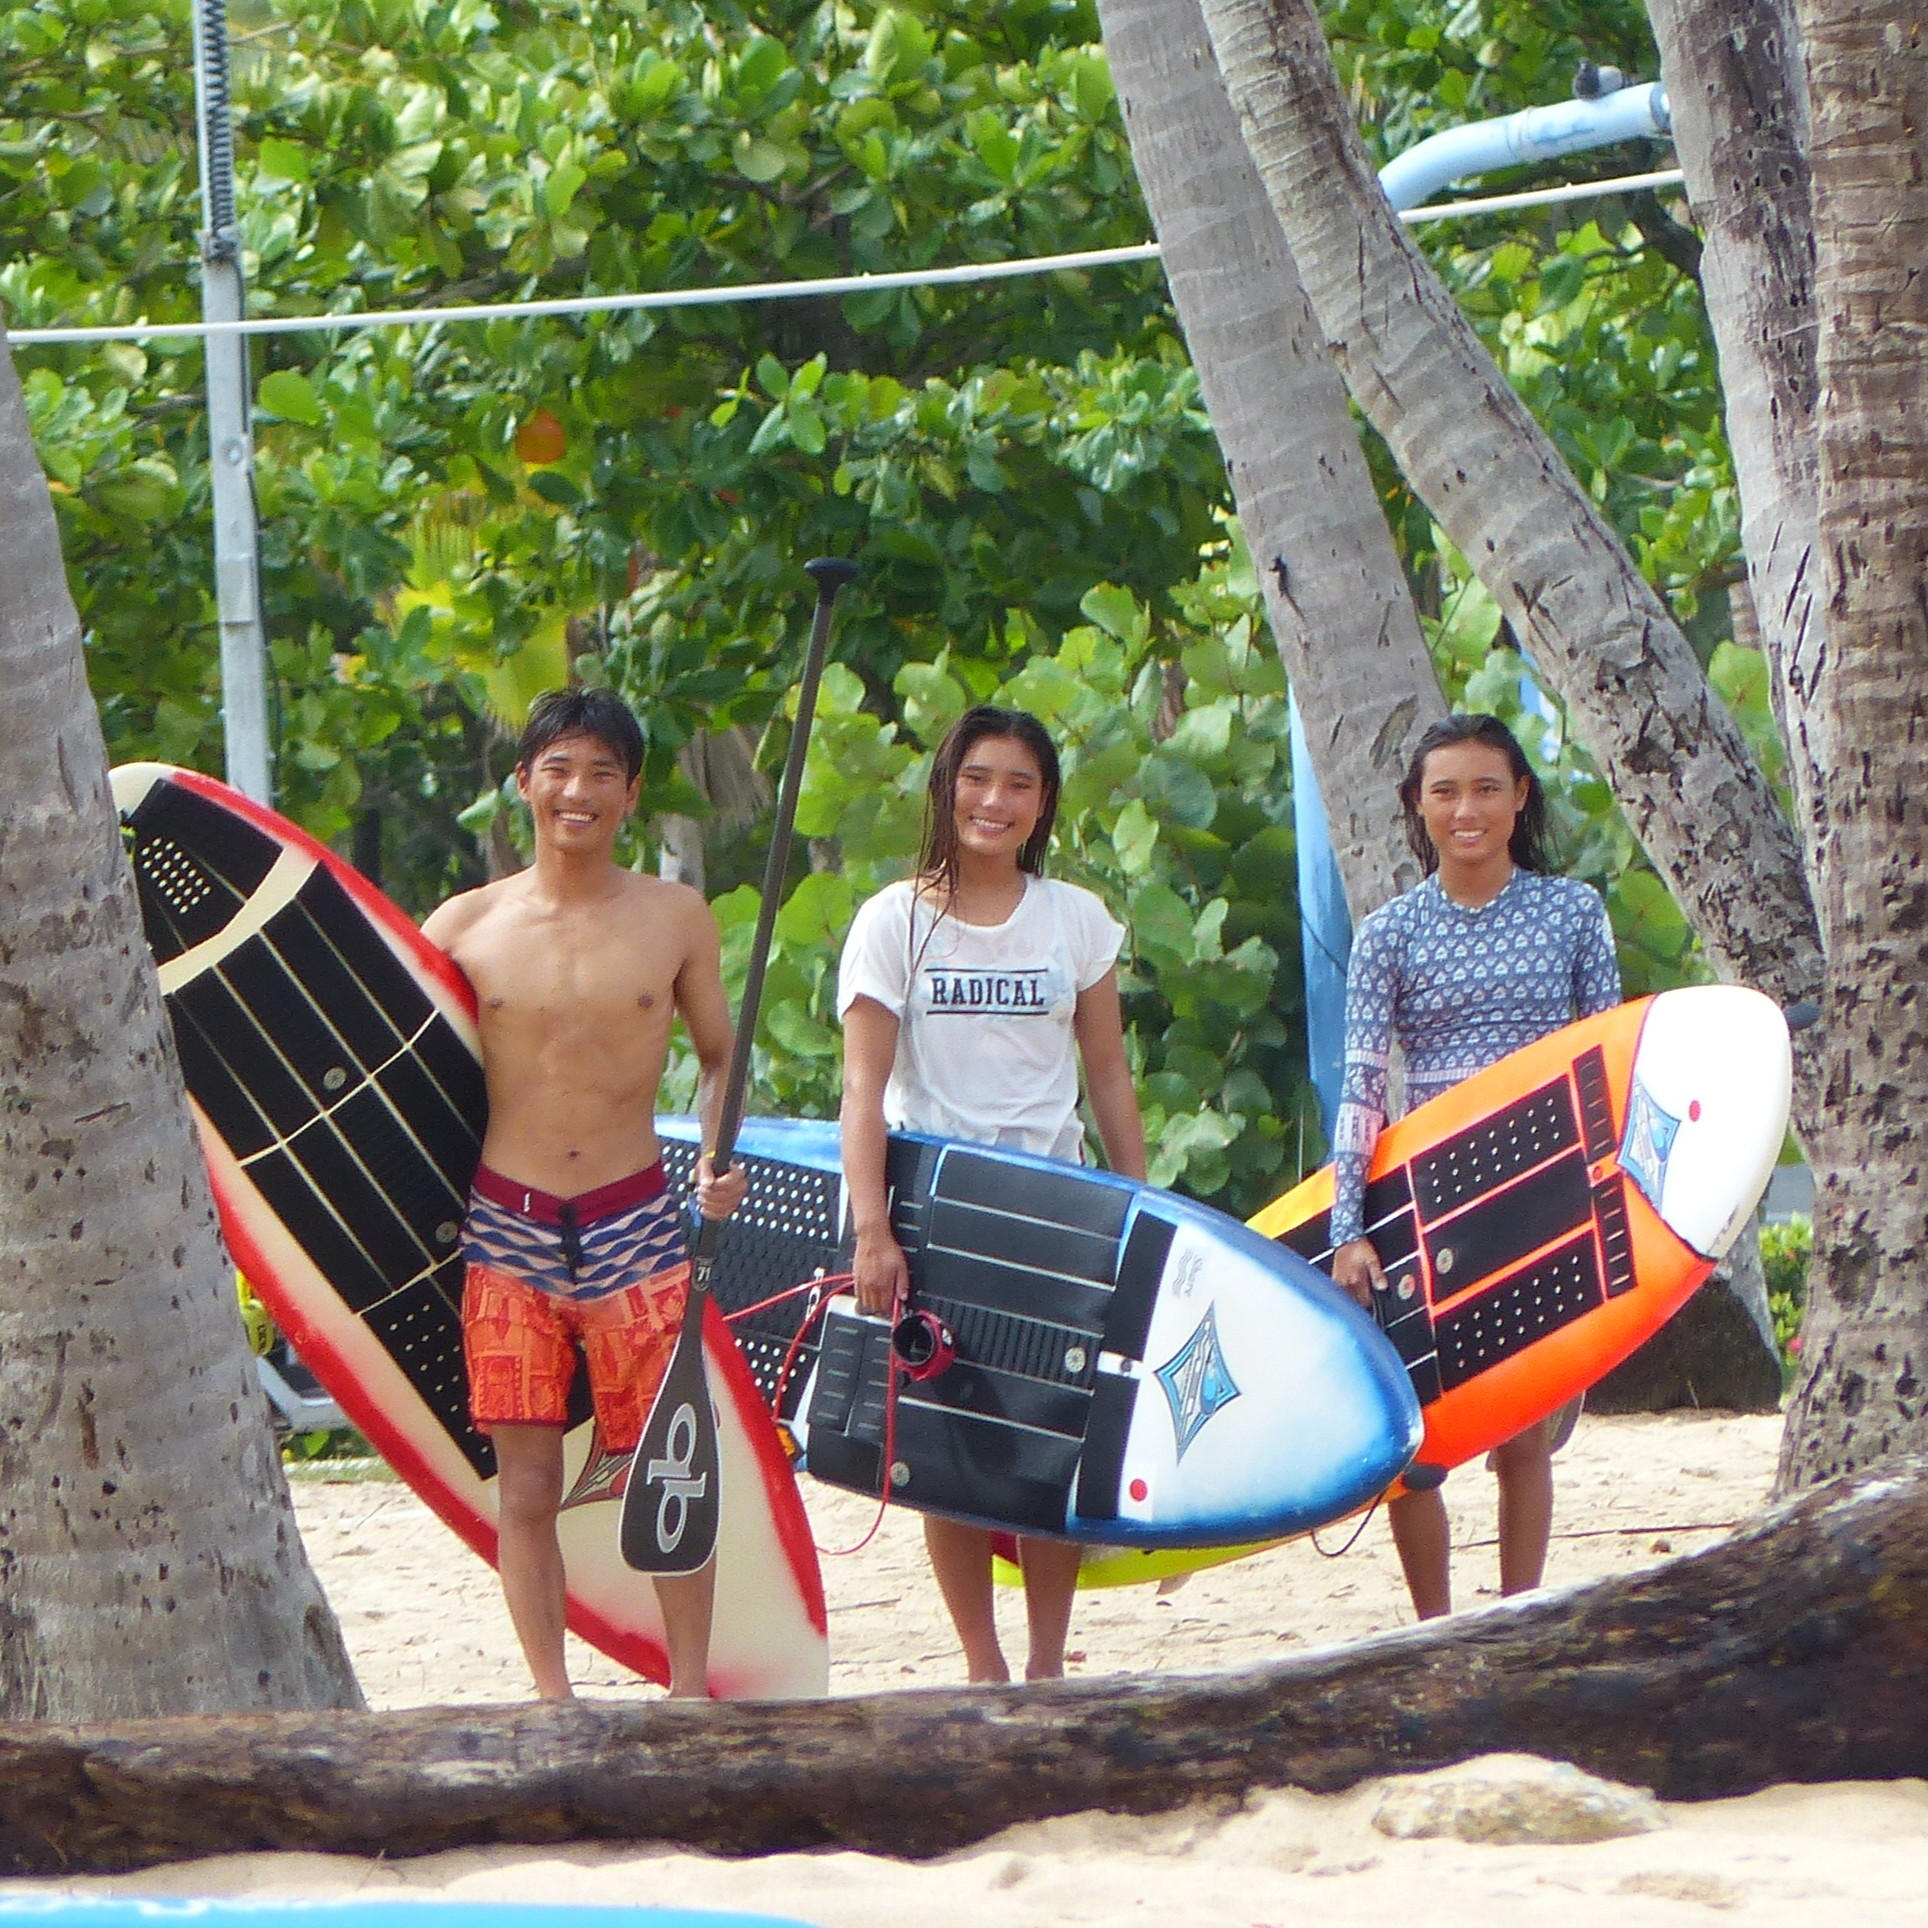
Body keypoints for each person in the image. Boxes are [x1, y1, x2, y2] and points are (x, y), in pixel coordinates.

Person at [422, 688, 747, 1700]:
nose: (579, 791)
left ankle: (686, 1691)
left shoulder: (672, 917)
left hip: (636, 1223)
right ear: (522, 782)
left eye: (602, 772)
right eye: (559, 769)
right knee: (526, 1486)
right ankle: (552, 1700)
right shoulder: (463, 925)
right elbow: (415, 1076)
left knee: (668, 1471)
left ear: (631, 793)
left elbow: (719, 1054)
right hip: (506, 1230)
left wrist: (716, 1154)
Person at [837, 704, 1147, 1683]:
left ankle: (1048, 1663)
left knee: (1048, 1439)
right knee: (948, 1449)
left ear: (1042, 802)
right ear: (946, 788)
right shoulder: (893, 920)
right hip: (938, 1211)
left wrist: (1138, 1207)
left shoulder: (1076, 920)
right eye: (977, 778)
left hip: (1058, 1207)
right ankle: (982, 1664)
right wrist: (873, 1227)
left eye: (1019, 783)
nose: (994, 800)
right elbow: (861, 1089)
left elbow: (1107, 1075)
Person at [1328, 712, 1621, 1621]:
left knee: (1524, 1430)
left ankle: (1517, 1622)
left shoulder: (1573, 913)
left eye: (1487, 788)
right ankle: (1436, 1632)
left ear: (1520, 796)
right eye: (1445, 791)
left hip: (1546, 1185)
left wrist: (1613, 1193)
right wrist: (1347, 1228)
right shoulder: (1389, 933)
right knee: (1420, 1443)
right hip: (1432, 1197)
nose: (1467, 810)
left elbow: (1607, 1057)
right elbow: (1362, 1084)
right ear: (1417, 806)